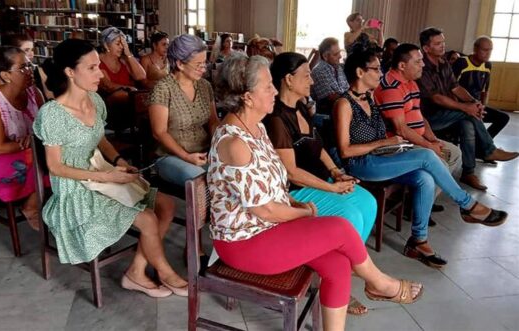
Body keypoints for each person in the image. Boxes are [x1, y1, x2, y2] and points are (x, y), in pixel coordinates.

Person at [211, 53, 423, 331]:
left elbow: (272, 183)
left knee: (336, 264)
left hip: (266, 227)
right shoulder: (235, 141)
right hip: (244, 242)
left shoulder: (256, 127)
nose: (275, 89)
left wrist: (293, 202)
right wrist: (305, 211)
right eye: (267, 86)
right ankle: (380, 283)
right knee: (340, 228)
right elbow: (264, 209)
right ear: (248, 97)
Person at [35, 39, 187, 298]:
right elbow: (55, 167)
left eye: (99, 66)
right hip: (76, 192)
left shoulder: (95, 100)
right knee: (148, 219)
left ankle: (137, 271)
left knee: (166, 205)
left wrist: (119, 162)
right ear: (70, 72)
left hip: (103, 174)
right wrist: (104, 175)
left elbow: (101, 140)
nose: (101, 73)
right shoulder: (52, 114)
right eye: (92, 68)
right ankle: (165, 272)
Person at [334, 48, 508, 269]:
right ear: (360, 72)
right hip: (361, 164)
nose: (381, 73)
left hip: (382, 156)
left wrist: (394, 144)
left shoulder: (369, 98)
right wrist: (384, 143)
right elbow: (345, 151)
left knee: (424, 178)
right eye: (376, 69)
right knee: (426, 155)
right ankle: (467, 205)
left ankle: (418, 241)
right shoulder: (344, 104)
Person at [267, 52, 377, 316]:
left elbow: (319, 147)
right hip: (296, 190)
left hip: (321, 180)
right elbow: (291, 173)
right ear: (288, 79)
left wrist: (336, 172)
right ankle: (335, 281)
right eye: (306, 76)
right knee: (349, 215)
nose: (312, 82)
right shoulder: (276, 119)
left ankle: (343, 272)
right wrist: (332, 189)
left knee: (368, 203)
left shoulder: (302, 107)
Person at [416, 27, 518, 191]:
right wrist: (466, 107)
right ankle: (488, 150)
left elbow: (456, 88)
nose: (443, 46)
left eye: (443, 42)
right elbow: (436, 97)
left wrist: (474, 102)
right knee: (466, 113)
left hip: (448, 114)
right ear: (426, 48)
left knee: (468, 124)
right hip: (429, 119)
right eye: (437, 43)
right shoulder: (422, 67)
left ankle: (468, 173)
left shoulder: (443, 64)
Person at [374, 43, 462, 214]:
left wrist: (434, 140)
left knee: (454, 153)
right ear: (402, 66)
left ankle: (423, 202)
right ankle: (420, 206)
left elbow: (420, 116)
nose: (423, 64)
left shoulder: (411, 83)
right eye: (418, 61)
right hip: (400, 143)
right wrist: (430, 147)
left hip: (417, 138)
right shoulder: (391, 87)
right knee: (440, 161)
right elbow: (401, 129)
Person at [0, 46, 45, 230]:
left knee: (64, 158)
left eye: (30, 65)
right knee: (54, 165)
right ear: (6, 75)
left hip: (32, 150)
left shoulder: (34, 93)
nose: (30, 70)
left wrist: (34, 141)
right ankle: (32, 206)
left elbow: (46, 127)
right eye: (23, 67)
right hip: (2, 160)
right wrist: (30, 144)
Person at [149, 34, 219, 187]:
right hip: (171, 156)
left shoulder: (204, 86)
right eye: (198, 64)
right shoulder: (163, 88)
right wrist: (187, 156)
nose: (204, 68)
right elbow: (159, 132)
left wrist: (217, 148)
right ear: (180, 64)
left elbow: (213, 122)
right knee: (202, 181)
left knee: (229, 173)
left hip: (204, 153)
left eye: (204, 63)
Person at [452, 36, 510, 139]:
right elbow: (451, 89)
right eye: (485, 50)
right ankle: (485, 147)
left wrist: (482, 107)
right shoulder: (461, 63)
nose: (488, 53)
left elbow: (484, 90)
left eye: (490, 50)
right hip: (461, 107)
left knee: (503, 118)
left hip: (477, 105)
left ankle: (481, 148)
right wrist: (463, 107)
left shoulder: (488, 65)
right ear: (475, 49)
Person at [98, 27, 146, 132]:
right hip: (108, 106)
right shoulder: (97, 61)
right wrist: (130, 89)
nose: (121, 47)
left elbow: (141, 76)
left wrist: (128, 53)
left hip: (129, 104)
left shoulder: (124, 61)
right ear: (106, 45)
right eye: (118, 44)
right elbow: (107, 86)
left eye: (123, 44)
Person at [2, 34, 54, 100]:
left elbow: (50, 97)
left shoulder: (40, 70)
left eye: (32, 50)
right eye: (26, 50)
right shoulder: (8, 74)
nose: (31, 54)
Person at [311, 37, 349, 115]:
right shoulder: (319, 71)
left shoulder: (338, 68)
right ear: (325, 56)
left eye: (340, 52)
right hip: (328, 115)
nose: (340, 56)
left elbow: (346, 89)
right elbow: (332, 98)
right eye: (336, 54)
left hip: (343, 109)